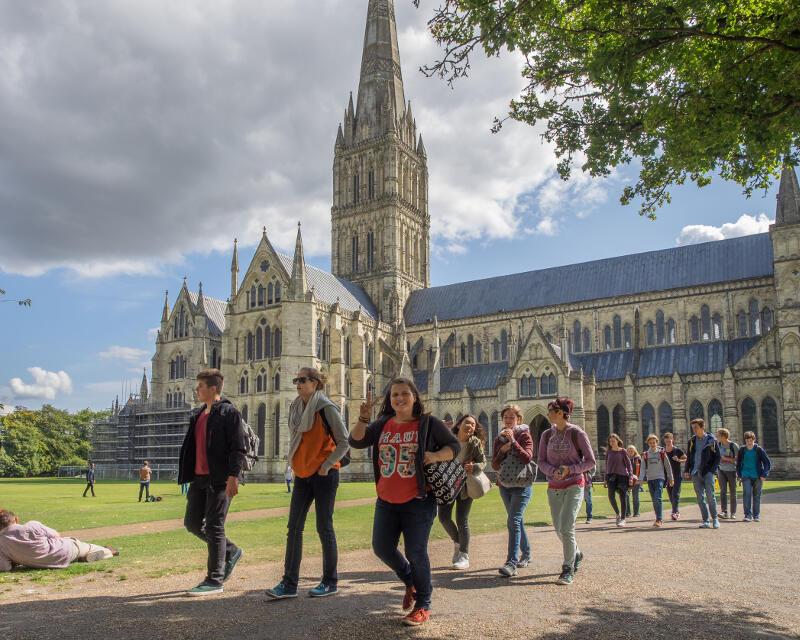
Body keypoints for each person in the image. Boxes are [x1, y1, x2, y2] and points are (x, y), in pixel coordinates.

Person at [348, 378, 459, 627]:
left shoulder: (428, 424)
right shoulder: (382, 425)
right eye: (394, 394)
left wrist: (435, 455)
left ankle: (423, 605)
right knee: (381, 547)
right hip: (386, 498)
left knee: (416, 552)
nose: (399, 398)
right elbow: (356, 441)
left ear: (415, 397)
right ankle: (410, 579)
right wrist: (363, 419)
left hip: (418, 500)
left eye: (404, 394)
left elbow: (454, 446)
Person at [266, 368, 349, 600]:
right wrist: (293, 462)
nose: (298, 384)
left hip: (325, 475)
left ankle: (330, 582)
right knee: (294, 529)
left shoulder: (326, 408)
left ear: (316, 383)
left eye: (302, 380)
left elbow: (344, 442)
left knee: (324, 527)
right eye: (296, 380)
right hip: (303, 473)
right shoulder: (295, 407)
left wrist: (327, 464)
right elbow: (297, 439)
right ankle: (289, 584)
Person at [178, 368, 248, 595]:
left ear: (213, 388)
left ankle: (214, 579)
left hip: (220, 479)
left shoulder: (229, 412)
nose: (196, 390)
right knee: (192, 523)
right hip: (199, 479)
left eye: (200, 386)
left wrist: (233, 477)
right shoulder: (198, 415)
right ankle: (231, 550)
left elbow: (238, 447)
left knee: (215, 525)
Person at [537, 398, 596, 586]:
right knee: (558, 528)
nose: (548, 414)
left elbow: (590, 461)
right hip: (554, 486)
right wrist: (553, 472)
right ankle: (576, 553)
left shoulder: (576, 433)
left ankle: (567, 568)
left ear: (561, 413)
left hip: (575, 484)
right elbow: (541, 461)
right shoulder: (546, 435)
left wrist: (570, 470)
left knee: (567, 526)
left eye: (551, 411)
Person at [437, 414, 486, 570]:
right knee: (443, 517)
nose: (470, 426)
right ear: (459, 425)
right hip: (447, 484)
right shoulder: (447, 439)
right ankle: (458, 543)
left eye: (473, 425)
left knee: (462, 519)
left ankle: (464, 555)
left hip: (465, 485)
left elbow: (483, 461)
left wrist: (475, 467)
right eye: (467, 423)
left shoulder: (475, 443)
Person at [492, 404, 534, 578]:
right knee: (516, 520)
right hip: (505, 485)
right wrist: (502, 450)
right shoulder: (498, 439)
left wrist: (514, 443)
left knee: (513, 521)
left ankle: (511, 563)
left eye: (512, 417)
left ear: (519, 419)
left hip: (522, 485)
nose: (508, 420)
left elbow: (527, 457)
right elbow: (494, 464)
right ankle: (527, 553)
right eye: (506, 417)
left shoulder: (524, 435)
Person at [0, 509, 118, 571]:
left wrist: (18, 559)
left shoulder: (1, 543)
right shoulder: (32, 525)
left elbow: (5, 567)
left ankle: (84, 557)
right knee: (89, 547)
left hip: (39, 564)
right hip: (65, 550)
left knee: (76, 548)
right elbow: (56, 535)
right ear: (16, 519)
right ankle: (108, 552)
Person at [684, 418, 721, 529]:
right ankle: (705, 520)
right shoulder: (691, 441)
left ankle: (715, 519)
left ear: (702, 427)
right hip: (695, 472)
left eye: (696, 427)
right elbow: (689, 457)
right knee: (700, 498)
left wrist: (711, 470)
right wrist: (686, 470)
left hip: (707, 472)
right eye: (693, 428)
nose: (694, 430)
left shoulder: (711, 440)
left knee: (710, 496)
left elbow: (717, 457)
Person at [639, 434, 674, 527]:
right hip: (650, 479)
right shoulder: (646, 454)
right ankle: (658, 517)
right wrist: (640, 479)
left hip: (660, 478)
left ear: (657, 442)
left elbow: (667, 465)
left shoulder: (662, 452)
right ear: (648, 443)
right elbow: (642, 468)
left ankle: (659, 519)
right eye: (650, 443)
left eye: (654, 442)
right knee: (654, 500)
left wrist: (671, 478)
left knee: (657, 497)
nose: (652, 444)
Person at [736, 431, 771, 522]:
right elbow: (738, 463)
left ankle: (756, 516)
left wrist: (764, 474)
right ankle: (747, 515)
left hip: (757, 476)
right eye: (747, 440)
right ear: (745, 440)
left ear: (754, 440)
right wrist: (739, 474)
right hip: (746, 475)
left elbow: (767, 463)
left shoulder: (759, 449)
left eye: (751, 440)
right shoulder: (742, 450)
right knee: (746, 494)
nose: (749, 442)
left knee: (757, 496)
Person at [604, 434, 632, 526]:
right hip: (610, 476)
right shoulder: (609, 452)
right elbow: (606, 465)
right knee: (611, 496)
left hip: (622, 476)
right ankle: (617, 514)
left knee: (623, 497)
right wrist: (605, 478)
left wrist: (631, 476)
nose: (611, 442)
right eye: (610, 441)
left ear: (617, 441)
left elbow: (629, 465)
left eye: (613, 440)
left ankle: (623, 519)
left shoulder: (623, 451)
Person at [662, 432, 687, 520]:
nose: (668, 442)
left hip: (676, 475)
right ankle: (676, 510)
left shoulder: (677, 450)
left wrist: (679, 460)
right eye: (666, 441)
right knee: (670, 495)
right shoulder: (662, 451)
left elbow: (686, 459)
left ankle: (674, 512)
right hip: (667, 476)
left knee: (675, 494)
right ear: (664, 441)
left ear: (672, 440)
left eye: (669, 441)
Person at [716, 428, 740, 520]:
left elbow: (738, 459)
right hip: (721, 470)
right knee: (723, 492)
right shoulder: (718, 445)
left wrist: (726, 459)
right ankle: (724, 512)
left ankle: (733, 513)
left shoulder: (734, 446)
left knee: (733, 492)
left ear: (723, 436)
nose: (717, 437)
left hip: (732, 471)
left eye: (718, 435)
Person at [625, 445, 643, 518]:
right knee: (626, 496)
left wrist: (640, 478)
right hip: (627, 480)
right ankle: (627, 512)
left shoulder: (638, 459)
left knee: (635, 496)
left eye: (632, 451)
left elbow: (642, 469)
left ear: (635, 451)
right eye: (629, 451)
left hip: (636, 480)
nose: (630, 452)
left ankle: (636, 513)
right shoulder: (625, 459)